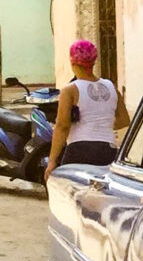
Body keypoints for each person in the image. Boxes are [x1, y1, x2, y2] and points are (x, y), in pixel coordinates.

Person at [46, 40, 129, 179]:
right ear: (94, 62)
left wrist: (52, 160)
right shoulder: (111, 86)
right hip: (108, 150)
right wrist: (103, 126)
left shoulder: (70, 90)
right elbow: (124, 120)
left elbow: (62, 126)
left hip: (79, 150)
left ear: (72, 62)